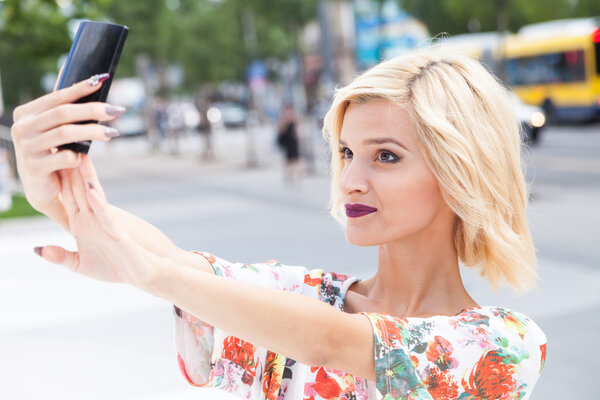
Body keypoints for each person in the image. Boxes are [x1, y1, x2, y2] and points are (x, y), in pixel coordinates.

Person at [11, 50, 547, 400]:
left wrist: (149, 274)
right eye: (346, 153)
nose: (350, 181)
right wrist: (54, 194)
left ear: (459, 173)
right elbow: (181, 266)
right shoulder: (303, 298)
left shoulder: (503, 346)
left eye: (384, 156)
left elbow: (332, 345)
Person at [277, 103, 303, 186]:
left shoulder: (294, 120)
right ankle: (288, 176)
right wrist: (285, 122)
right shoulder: (283, 120)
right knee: (288, 162)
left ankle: (296, 178)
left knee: (296, 161)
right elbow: (281, 132)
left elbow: (296, 132)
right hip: (287, 143)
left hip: (293, 143)